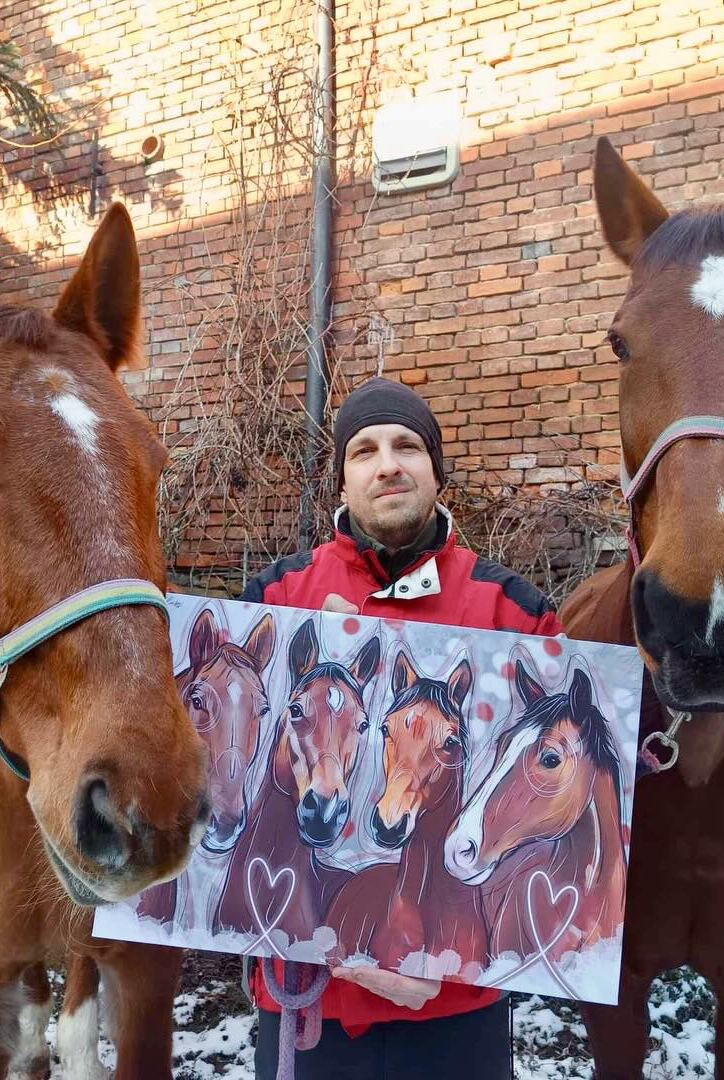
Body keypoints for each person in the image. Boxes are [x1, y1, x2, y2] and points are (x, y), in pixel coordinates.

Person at [241, 376, 564, 1079]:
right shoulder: (275, 599)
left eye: (407, 446)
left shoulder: (515, 612)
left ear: (435, 472)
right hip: (311, 1001)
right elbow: (237, 793)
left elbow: (540, 823)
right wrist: (325, 932)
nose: (387, 463)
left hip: (459, 1007)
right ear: (343, 479)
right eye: (364, 450)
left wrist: (452, 949)